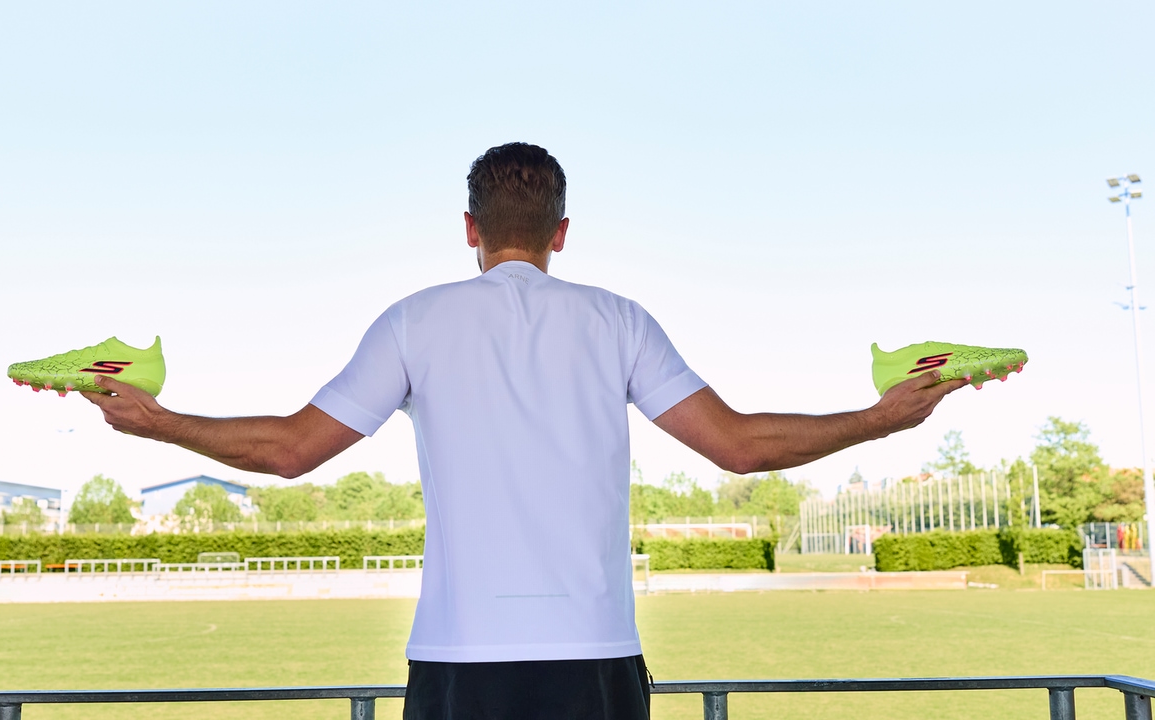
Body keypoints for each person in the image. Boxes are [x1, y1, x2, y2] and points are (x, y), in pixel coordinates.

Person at [85, 142, 965, 719]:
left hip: (460, 664)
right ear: (562, 232)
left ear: (469, 230)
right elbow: (740, 446)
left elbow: (288, 451)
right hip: (594, 661)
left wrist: (155, 423)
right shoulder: (617, 318)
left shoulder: (413, 320)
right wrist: (883, 420)